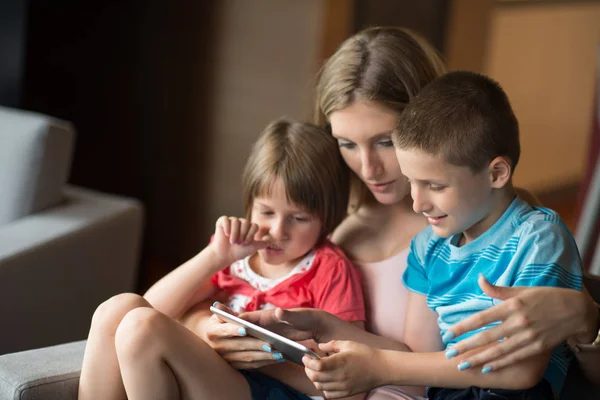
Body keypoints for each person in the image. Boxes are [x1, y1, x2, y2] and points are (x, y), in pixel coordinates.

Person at [239, 27, 599, 399]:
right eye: (346, 143)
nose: (368, 168)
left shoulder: (516, 230)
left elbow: (514, 369)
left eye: (385, 142)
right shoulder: (408, 240)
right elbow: (423, 365)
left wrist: (377, 366)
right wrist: (317, 326)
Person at [77, 118, 366, 400]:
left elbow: (353, 381)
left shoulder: (330, 268)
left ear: (326, 220)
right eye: (266, 212)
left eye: (299, 218)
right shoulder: (236, 253)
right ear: (249, 205)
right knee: (117, 309)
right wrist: (215, 256)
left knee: (144, 327)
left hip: (278, 389)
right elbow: (152, 306)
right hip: (220, 377)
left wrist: (264, 356)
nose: (278, 231)